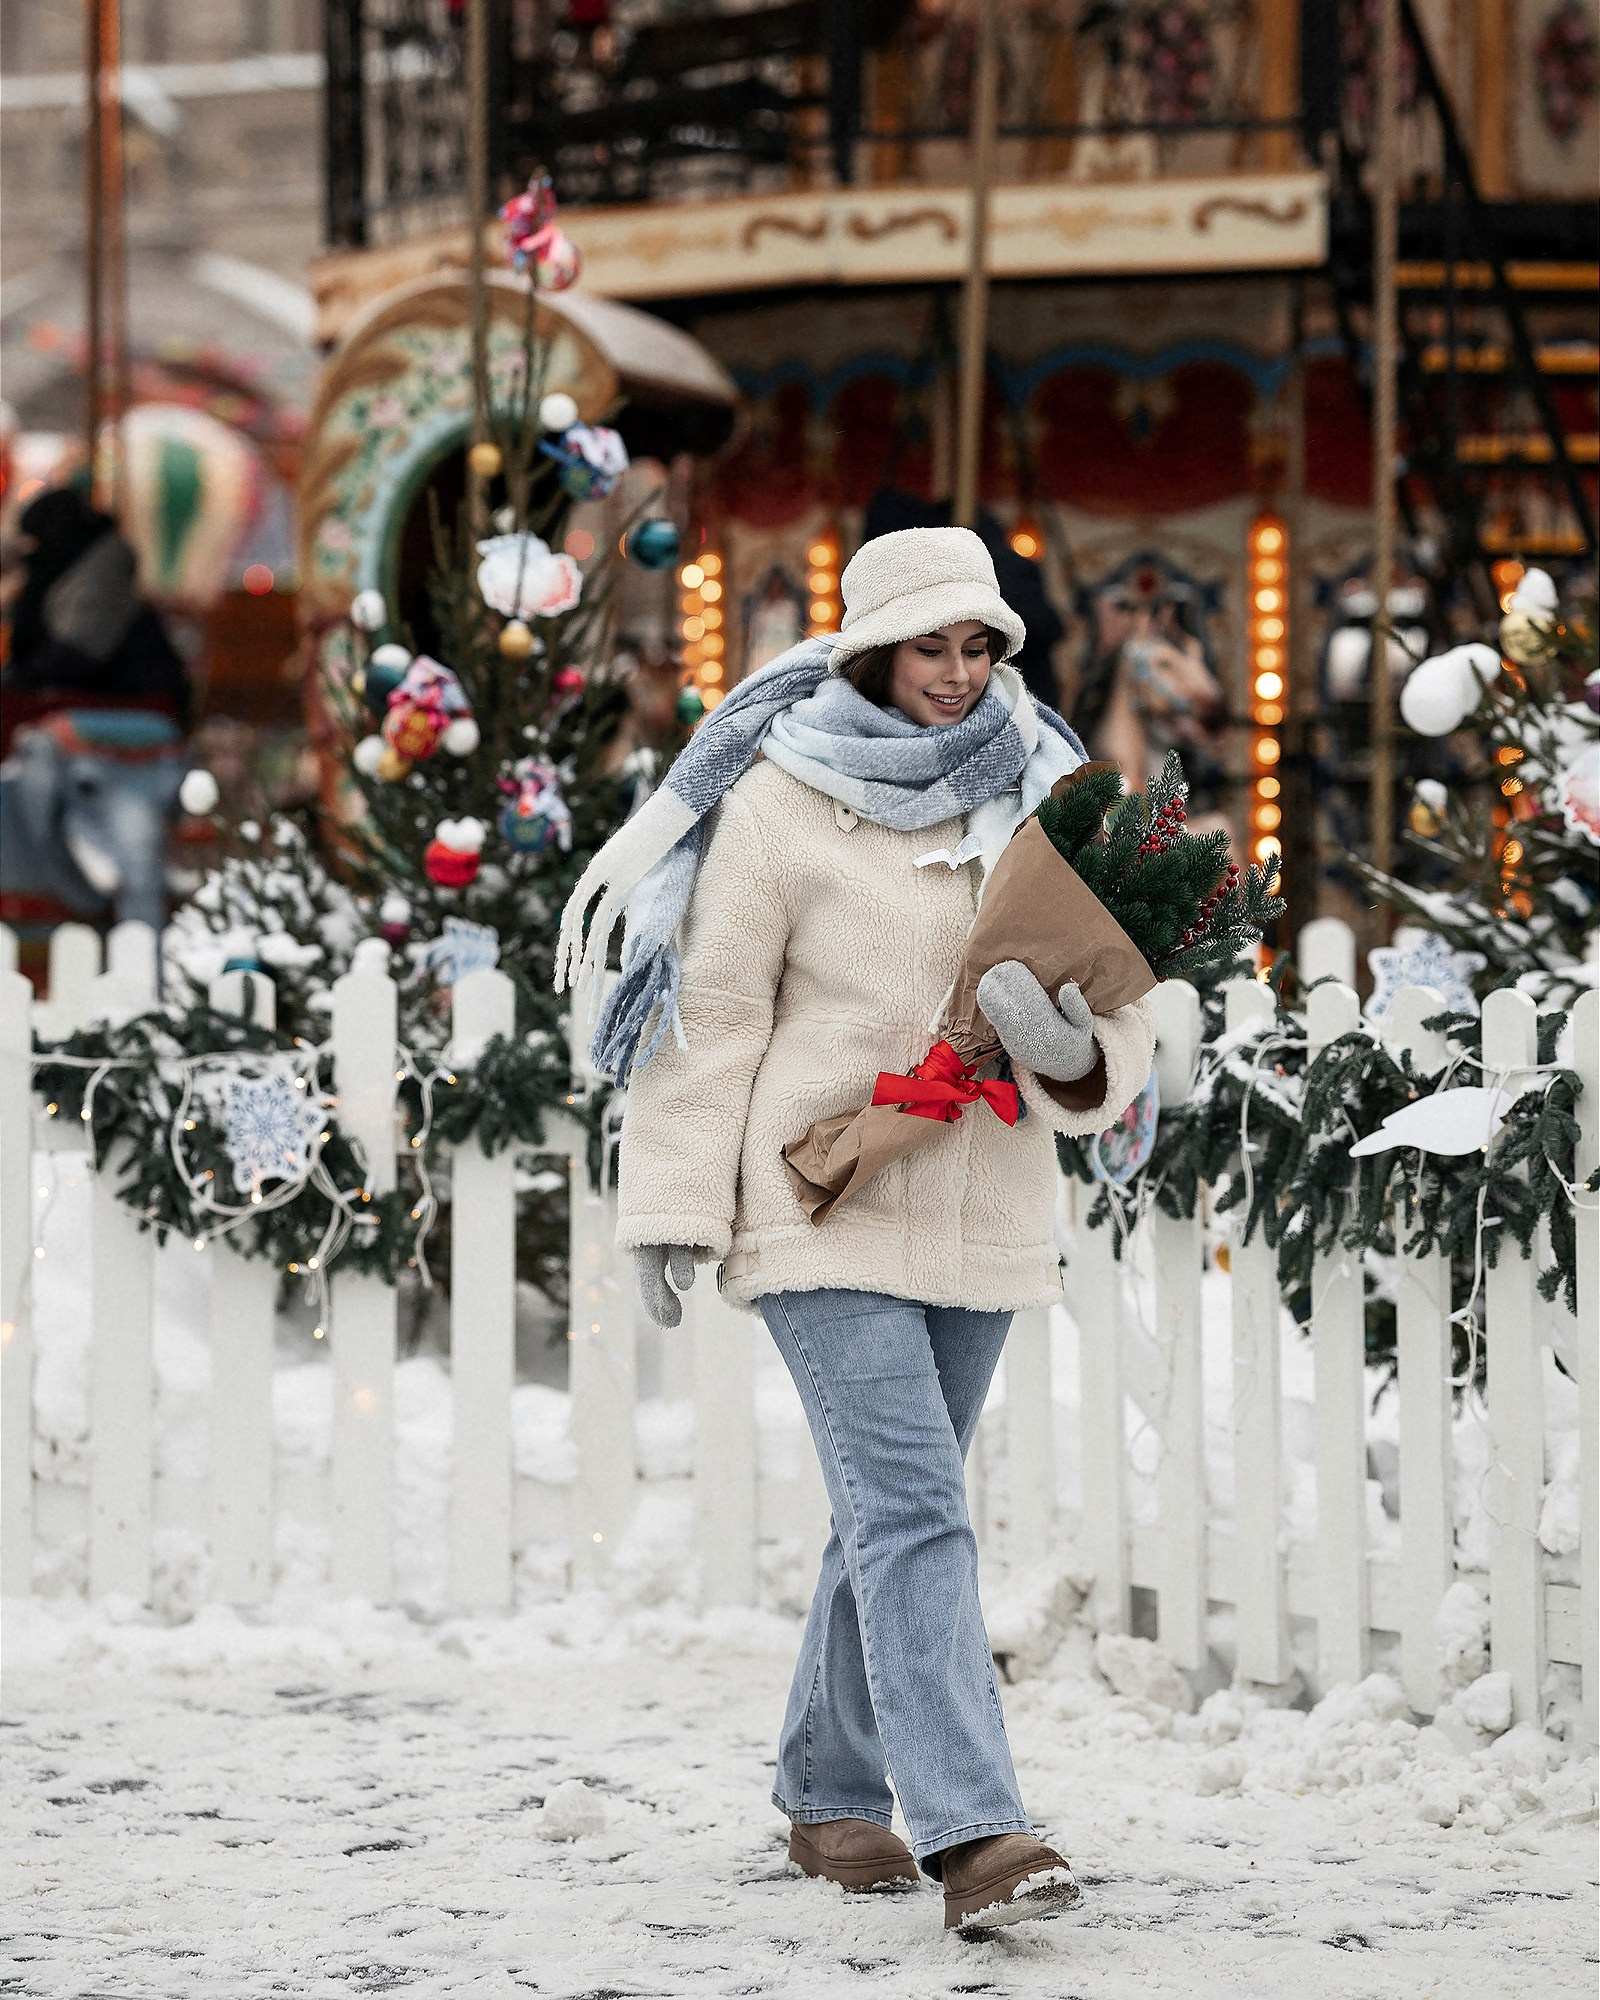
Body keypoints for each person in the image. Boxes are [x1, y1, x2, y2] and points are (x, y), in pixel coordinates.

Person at [556, 527, 1154, 1935]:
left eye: (979, 647)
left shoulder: (1045, 795)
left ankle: (828, 1790)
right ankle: (976, 1830)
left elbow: (1126, 1014)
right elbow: (714, 1022)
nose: (960, 675)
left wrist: (1071, 1049)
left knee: (894, 1511)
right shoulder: (778, 803)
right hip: (822, 1194)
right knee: (915, 1509)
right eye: (934, 645)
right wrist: (674, 1210)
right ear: (874, 649)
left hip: (986, 1200)